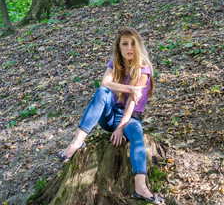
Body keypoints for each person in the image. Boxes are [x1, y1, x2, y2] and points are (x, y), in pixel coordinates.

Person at [57, 27, 163, 204]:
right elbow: (105, 82)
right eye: (125, 44)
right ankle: (76, 143)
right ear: (119, 47)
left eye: (133, 44)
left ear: (138, 46)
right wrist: (130, 88)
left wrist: (121, 128)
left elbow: (132, 103)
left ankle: (140, 187)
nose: (129, 48)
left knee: (137, 135)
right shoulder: (115, 62)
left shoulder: (144, 68)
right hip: (109, 114)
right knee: (102, 92)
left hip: (130, 118)